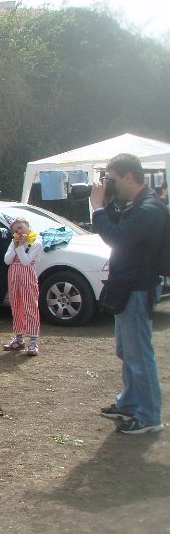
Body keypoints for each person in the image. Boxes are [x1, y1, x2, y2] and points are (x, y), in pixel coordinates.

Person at [91, 153, 165, 434]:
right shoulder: (137, 205)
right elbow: (119, 231)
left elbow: (118, 237)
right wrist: (106, 207)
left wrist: (98, 209)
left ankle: (149, 416)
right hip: (126, 287)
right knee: (127, 351)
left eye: (112, 179)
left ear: (129, 177)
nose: (109, 184)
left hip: (137, 288)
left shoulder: (150, 209)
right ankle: (130, 404)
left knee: (139, 354)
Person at [1, 217, 43, 356]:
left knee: (30, 306)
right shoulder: (15, 241)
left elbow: (26, 261)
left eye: (20, 227)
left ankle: (33, 341)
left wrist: (19, 247)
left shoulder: (35, 242)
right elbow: (7, 260)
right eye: (15, 230)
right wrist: (15, 246)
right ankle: (19, 339)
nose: (18, 231)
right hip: (14, 275)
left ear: (27, 225)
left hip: (27, 276)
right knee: (16, 306)